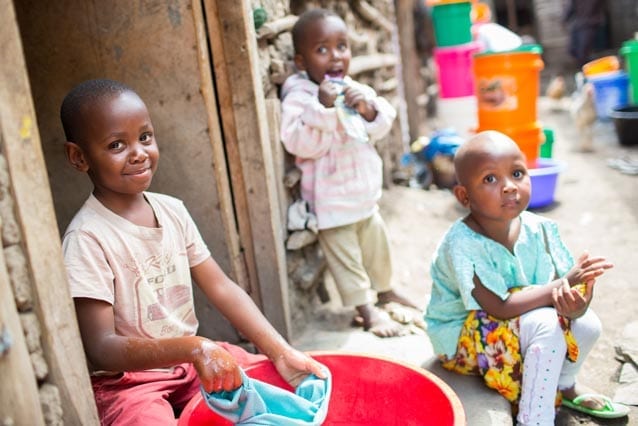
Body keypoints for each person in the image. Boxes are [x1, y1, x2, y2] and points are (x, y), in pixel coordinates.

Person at [60, 79, 326, 425]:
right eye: (116, 144)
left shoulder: (172, 211)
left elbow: (221, 287)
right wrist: (194, 347)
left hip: (190, 364)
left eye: (145, 137)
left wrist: (280, 351)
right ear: (79, 157)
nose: (139, 152)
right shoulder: (87, 238)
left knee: (279, 390)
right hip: (129, 384)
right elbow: (101, 347)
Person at [424, 131, 629, 424]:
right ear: (464, 196)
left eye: (517, 173)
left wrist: (577, 304)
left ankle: (565, 385)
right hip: (462, 339)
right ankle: (535, 418)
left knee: (588, 324)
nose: (509, 187)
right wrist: (562, 285)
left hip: (517, 322)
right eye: (490, 179)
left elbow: (566, 288)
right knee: (548, 325)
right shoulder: (463, 243)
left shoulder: (540, 229)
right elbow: (499, 307)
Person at [280, 8, 418, 338]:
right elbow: (299, 143)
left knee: (377, 247)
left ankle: (385, 290)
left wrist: (369, 109)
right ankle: (365, 309)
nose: (335, 56)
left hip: (364, 195)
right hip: (330, 200)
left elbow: (381, 123)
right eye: (322, 49)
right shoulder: (300, 97)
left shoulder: (352, 88)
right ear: (301, 62)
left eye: (341, 46)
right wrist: (324, 109)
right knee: (346, 259)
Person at [563, 0, 608, 68]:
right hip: (579, 24)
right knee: (572, 49)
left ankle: (587, 68)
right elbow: (571, 7)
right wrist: (565, 19)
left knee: (583, 51)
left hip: (591, 23)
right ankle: (586, 65)